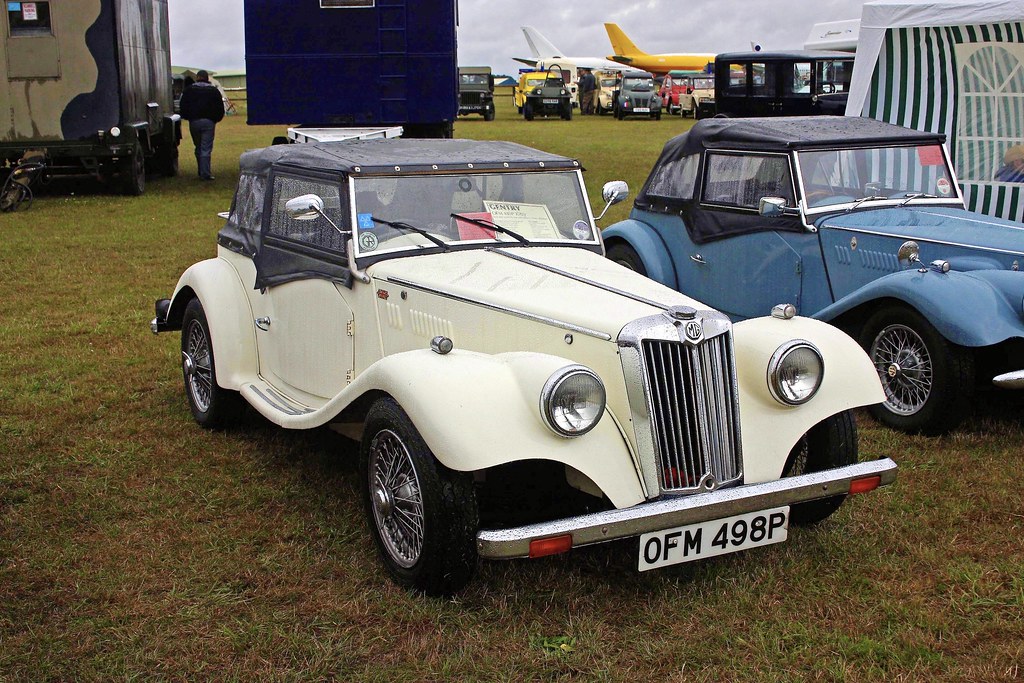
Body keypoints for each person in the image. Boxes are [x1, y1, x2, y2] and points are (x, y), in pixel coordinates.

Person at [178, 70, 224, 180]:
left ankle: (201, 170)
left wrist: (187, 117)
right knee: (206, 148)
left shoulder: (189, 90)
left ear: (197, 77)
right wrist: (216, 119)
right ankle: (205, 174)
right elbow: (219, 107)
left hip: (194, 121)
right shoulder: (213, 90)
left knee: (198, 147)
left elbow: (183, 105)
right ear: (207, 78)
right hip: (209, 122)